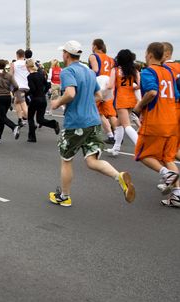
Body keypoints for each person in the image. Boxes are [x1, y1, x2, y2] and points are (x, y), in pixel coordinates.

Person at [49, 41, 135, 207]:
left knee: (66, 160)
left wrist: (58, 102)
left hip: (75, 123)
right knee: (92, 161)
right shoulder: (89, 72)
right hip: (94, 121)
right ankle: (119, 176)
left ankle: (64, 196)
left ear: (66, 54)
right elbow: (99, 95)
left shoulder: (68, 71)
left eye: (63, 53)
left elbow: (70, 93)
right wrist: (86, 101)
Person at [133, 42, 180, 207]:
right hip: (172, 119)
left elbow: (152, 92)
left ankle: (166, 174)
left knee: (141, 153)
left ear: (150, 54)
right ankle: (177, 194)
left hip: (156, 120)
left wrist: (139, 107)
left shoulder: (148, 71)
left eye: (146, 53)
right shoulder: (168, 72)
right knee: (168, 157)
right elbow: (176, 96)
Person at [105, 50, 140, 156]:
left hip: (121, 99)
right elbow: (139, 85)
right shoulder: (134, 70)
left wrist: (103, 85)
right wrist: (132, 88)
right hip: (131, 99)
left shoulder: (115, 70)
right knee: (118, 124)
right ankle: (116, 148)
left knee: (126, 125)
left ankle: (140, 146)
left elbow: (110, 86)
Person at [89, 39, 116, 144]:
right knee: (110, 114)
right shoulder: (111, 59)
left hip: (99, 84)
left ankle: (92, 134)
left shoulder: (93, 56)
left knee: (90, 108)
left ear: (95, 46)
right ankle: (115, 135)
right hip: (108, 86)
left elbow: (95, 70)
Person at [26, 59, 60, 142]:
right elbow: (48, 85)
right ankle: (54, 124)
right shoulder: (41, 74)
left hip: (35, 99)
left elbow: (33, 89)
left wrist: (26, 94)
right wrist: (43, 93)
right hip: (43, 99)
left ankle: (32, 137)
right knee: (40, 119)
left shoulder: (30, 77)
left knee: (30, 118)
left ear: (27, 67)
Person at [0, 59, 20, 143]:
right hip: (8, 97)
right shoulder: (9, 75)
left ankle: (14, 127)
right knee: (2, 117)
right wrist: (12, 92)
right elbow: (16, 86)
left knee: (2, 117)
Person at [162, 42, 180, 163]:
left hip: (172, 109)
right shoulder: (178, 66)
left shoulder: (165, 69)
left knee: (168, 149)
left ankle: (172, 178)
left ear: (167, 54)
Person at [10, 49, 30, 126]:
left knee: (23, 104)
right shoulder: (27, 63)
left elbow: (10, 75)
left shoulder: (13, 64)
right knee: (16, 101)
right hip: (27, 85)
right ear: (24, 55)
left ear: (17, 55)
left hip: (18, 86)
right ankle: (19, 119)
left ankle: (31, 121)